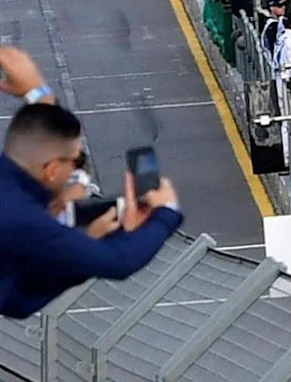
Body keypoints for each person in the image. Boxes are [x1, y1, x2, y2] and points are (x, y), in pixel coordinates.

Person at [1, 101, 184, 320]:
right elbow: (119, 262)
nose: (76, 170)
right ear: (51, 170)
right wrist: (166, 211)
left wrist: (88, 247)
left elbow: (17, 301)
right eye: (75, 161)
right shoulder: (21, 215)